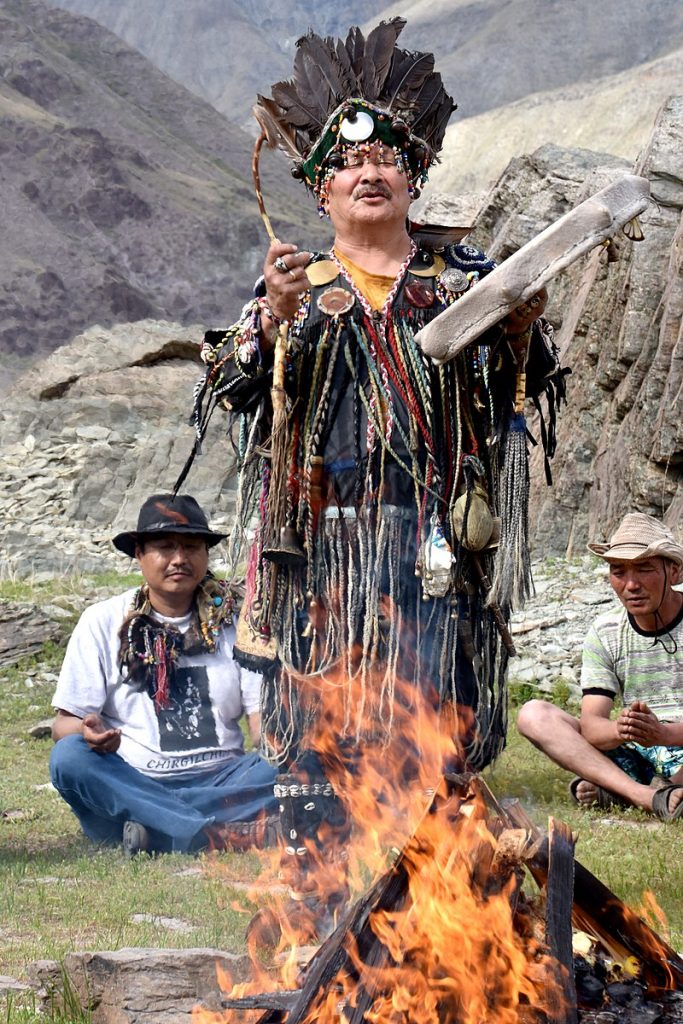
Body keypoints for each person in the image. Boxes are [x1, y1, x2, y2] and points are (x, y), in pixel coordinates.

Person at [184, 19, 566, 937]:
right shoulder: (296, 286)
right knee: (322, 725)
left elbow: (530, 383)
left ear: (414, 177)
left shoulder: (462, 284)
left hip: (438, 542)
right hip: (321, 546)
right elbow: (231, 389)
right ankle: (318, 923)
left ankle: (437, 919)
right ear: (320, 189)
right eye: (349, 165)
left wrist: (515, 328)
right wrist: (271, 324)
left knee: (435, 728)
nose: (370, 173)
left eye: (389, 160)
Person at [50, 493, 279, 856]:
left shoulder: (237, 620)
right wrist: (87, 732)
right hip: (132, 778)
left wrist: (287, 747)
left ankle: (154, 828)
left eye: (191, 547)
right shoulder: (102, 621)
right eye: (165, 547)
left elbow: (259, 720)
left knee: (300, 765)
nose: (179, 559)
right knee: (69, 759)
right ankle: (214, 832)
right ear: (139, 554)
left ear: (206, 555)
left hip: (223, 778)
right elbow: (63, 727)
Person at [517, 512, 683, 821]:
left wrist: (663, 733)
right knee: (533, 715)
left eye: (645, 569)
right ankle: (646, 795)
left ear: (673, 572)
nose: (631, 584)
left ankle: (640, 789)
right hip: (638, 748)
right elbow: (593, 727)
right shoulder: (606, 632)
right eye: (618, 571)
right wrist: (623, 729)